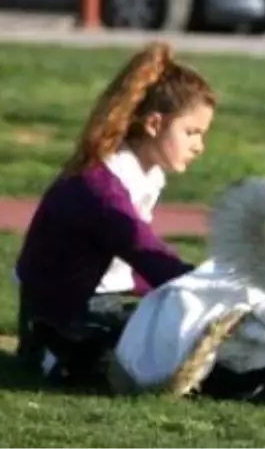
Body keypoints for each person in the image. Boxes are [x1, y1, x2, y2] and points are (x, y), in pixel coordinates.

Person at [14, 42, 215, 384]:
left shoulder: (144, 174)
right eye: (191, 132)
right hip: (58, 313)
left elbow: (131, 269)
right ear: (154, 124)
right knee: (167, 352)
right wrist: (214, 290)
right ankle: (51, 354)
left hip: (87, 301)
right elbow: (148, 255)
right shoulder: (104, 188)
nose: (200, 145)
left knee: (170, 334)